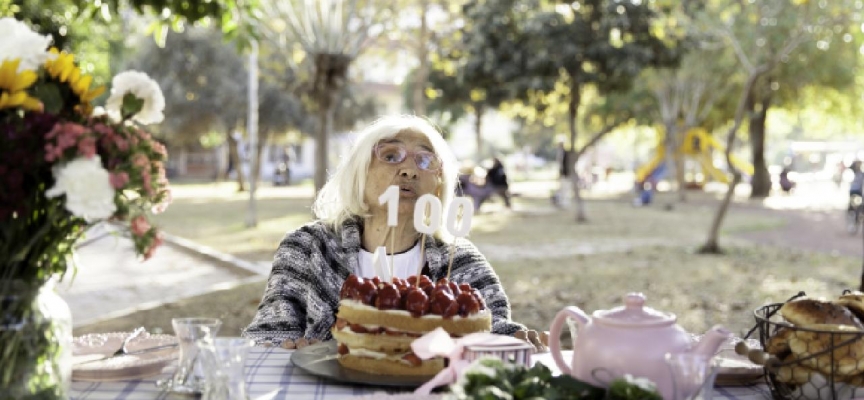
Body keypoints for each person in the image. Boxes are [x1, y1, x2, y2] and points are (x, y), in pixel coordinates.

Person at [242, 115, 527, 348]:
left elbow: (493, 327)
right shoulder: (306, 247)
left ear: (438, 185)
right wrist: (283, 346)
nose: (409, 171)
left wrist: (514, 338)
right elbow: (271, 332)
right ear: (360, 174)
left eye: (425, 160)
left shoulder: (460, 258)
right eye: (391, 155)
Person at [554, 141, 572, 207]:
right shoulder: (559, 154)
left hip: (566, 174)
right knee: (561, 188)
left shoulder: (566, 153)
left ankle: (565, 202)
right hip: (562, 174)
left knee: (566, 188)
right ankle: (561, 202)